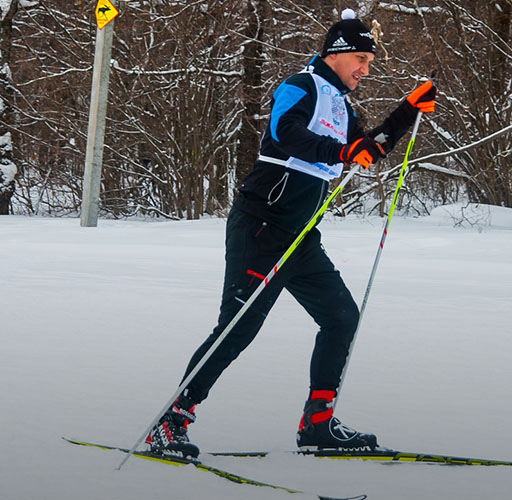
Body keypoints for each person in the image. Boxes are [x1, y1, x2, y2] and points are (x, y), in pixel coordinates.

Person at [147, 8, 436, 457]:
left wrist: (407, 111)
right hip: (262, 227)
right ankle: (171, 422)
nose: (365, 68)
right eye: (360, 58)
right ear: (336, 54)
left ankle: (318, 426)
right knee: (237, 328)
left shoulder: (342, 105)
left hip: (301, 237)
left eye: (370, 61)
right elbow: (285, 134)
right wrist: (343, 149)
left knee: (341, 318)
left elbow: (368, 150)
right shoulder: (299, 86)